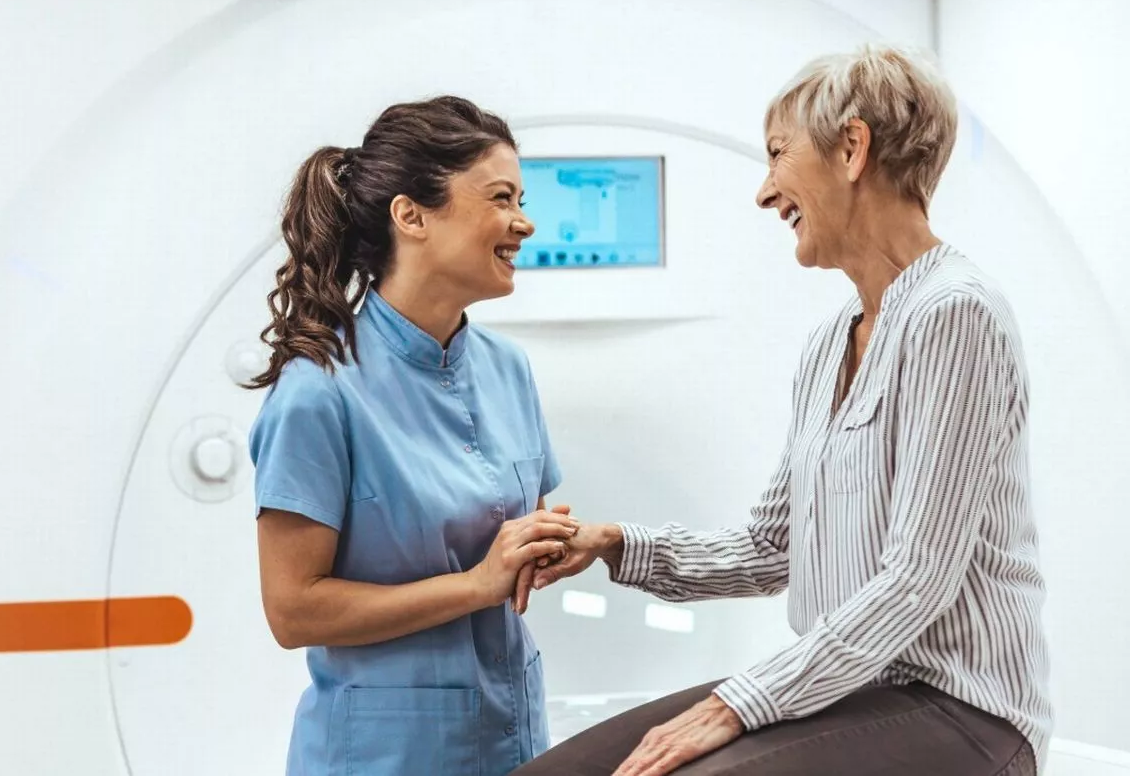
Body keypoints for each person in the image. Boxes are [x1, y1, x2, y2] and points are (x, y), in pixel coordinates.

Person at [512, 44, 1052, 776]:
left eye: (777, 155)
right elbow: (771, 548)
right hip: (850, 691)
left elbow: (917, 577)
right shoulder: (830, 343)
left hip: (963, 710)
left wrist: (734, 704)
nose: (765, 192)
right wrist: (613, 542)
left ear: (852, 148)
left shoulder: (955, 313)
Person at [244, 95, 577, 776]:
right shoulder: (321, 389)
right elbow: (293, 609)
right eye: (501, 197)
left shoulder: (509, 371)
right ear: (411, 214)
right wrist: (479, 583)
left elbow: (509, 542)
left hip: (510, 734)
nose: (525, 220)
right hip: (385, 754)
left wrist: (544, 545)